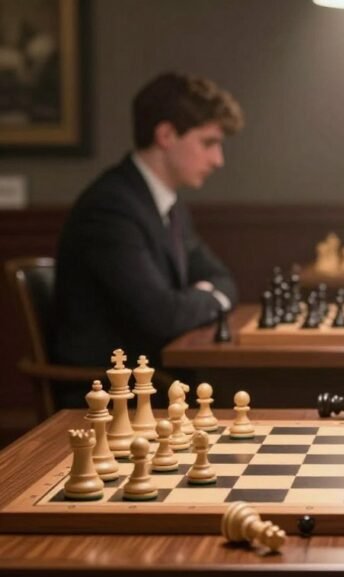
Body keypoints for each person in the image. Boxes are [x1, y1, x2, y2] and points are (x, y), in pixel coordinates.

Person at [52, 72, 243, 405]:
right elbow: (162, 318)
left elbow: (223, 280)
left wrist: (205, 294)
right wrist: (211, 299)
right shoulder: (111, 208)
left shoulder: (169, 205)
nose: (218, 160)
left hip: (157, 384)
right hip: (113, 399)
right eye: (208, 143)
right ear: (167, 134)